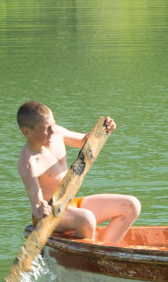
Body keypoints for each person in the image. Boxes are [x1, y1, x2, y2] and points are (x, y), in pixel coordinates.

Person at [16, 101, 141, 243]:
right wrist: (39, 209)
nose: (52, 131)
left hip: (71, 205)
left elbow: (84, 141)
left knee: (131, 205)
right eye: (46, 129)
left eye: (53, 125)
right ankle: (91, 259)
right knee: (87, 218)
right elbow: (37, 203)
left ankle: (106, 251)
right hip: (51, 215)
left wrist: (104, 130)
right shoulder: (28, 161)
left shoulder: (57, 133)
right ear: (26, 132)